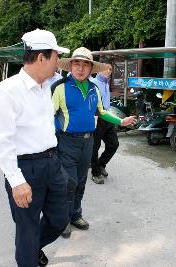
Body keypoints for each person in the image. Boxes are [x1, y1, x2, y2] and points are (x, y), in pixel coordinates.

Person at [0, 29, 70, 267]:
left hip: (52, 163)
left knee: (59, 219)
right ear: (41, 58)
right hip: (25, 168)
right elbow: (3, 140)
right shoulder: (8, 90)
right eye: (56, 56)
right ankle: (29, 255)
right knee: (27, 229)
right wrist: (16, 181)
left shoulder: (46, 86)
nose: (59, 62)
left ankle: (33, 248)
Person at [52, 47, 136, 238]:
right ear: (70, 66)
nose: (80, 68)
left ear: (91, 69)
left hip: (87, 142)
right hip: (66, 142)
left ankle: (75, 215)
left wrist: (120, 121)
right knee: (69, 182)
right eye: (77, 64)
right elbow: (48, 116)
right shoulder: (60, 87)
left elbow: (102, 111)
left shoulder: (94, 88)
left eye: (85, 65)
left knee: (81, 182)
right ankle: (63, 220)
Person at [89, 64, 118, 184]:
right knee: (95, 147)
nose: (109, 71)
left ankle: (101, 164)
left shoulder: (106, 83)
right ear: (99, 70)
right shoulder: (93, 83)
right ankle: (95, 173)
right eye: (106, 69)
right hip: (97, 118)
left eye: (110, 69)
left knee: (114, 144)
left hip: (107, 117)